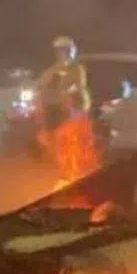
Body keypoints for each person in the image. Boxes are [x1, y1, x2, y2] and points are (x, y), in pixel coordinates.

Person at [36, 35, 98, 183]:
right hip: (58, 111)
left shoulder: (76, 69)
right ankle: (66, 174)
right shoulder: (53, 70)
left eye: (66, 50)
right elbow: (42, 85)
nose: (63, 53)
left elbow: (77, 86)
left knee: (76, 143)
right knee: (60, 144)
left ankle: (76, 175)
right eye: (60, 50)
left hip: (75, 110)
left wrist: (66, 93)